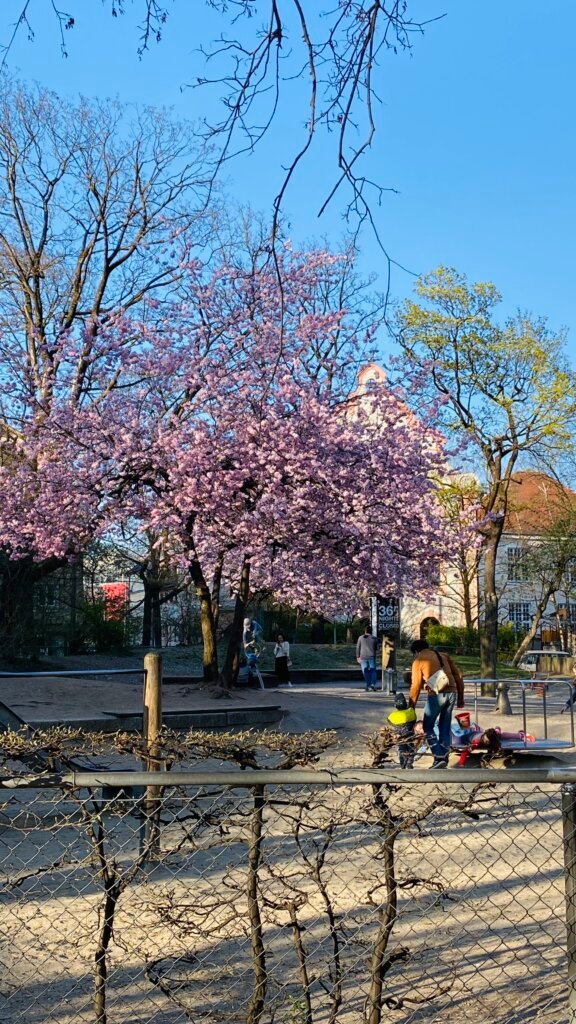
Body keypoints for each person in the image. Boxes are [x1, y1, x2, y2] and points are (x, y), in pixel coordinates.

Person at [409, 639, 465, 768]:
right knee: (444, 727)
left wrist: (411, 706)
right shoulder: (443, 655)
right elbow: (458, 676)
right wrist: (461, 697)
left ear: (416, 651)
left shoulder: (419, 660)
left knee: (428, 727)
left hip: (437, 695)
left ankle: (438, 756)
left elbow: (415, 685)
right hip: (452, 693)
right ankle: (444, 757)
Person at [387, 693, 417, 768]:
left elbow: (389, 721)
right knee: (411, 749)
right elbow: (414, 720)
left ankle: (402, 764)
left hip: (398, 736)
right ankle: (409, 763)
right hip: (409, 735)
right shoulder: (411, 712)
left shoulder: (392, 716)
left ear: (395, 706)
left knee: (401, 750)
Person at [356, 626, 378, 691]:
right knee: (373, 671)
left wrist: (358, 656)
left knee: (365, 671)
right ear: (371, 631)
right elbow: (377, 648)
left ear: (365, 631)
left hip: (363, 657)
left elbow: (358, 648)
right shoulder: (374, 638)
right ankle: (372, 684)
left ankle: (368, 685)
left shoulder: (360, 638)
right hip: (372, 656)